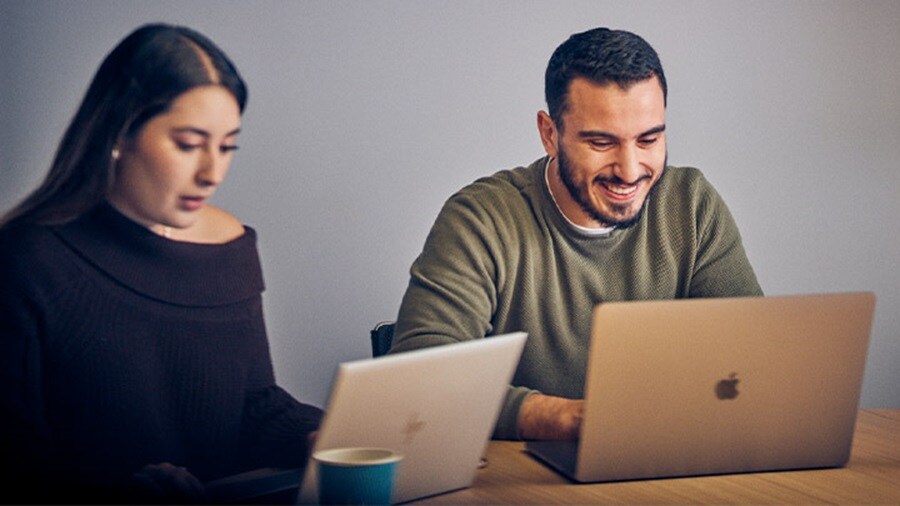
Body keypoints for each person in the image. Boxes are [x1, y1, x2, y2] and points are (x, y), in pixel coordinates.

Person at [389, 27, 762, 441]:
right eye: (601, 142)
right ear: (550, 134)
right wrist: (559, 418)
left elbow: (752, 360)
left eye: (649, 139)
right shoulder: (481, 219)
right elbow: (421, 373)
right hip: (526, 481)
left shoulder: (691, 205)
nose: (630, 169)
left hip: (665, 463)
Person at [0, 24, 322, 503]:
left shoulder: (231, 244)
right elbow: (14, 463)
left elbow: (253, 407)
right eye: (189, 145)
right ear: (119, 133)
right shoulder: (26, 259)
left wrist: (319, 436)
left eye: (227, 146)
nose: (212, 172)